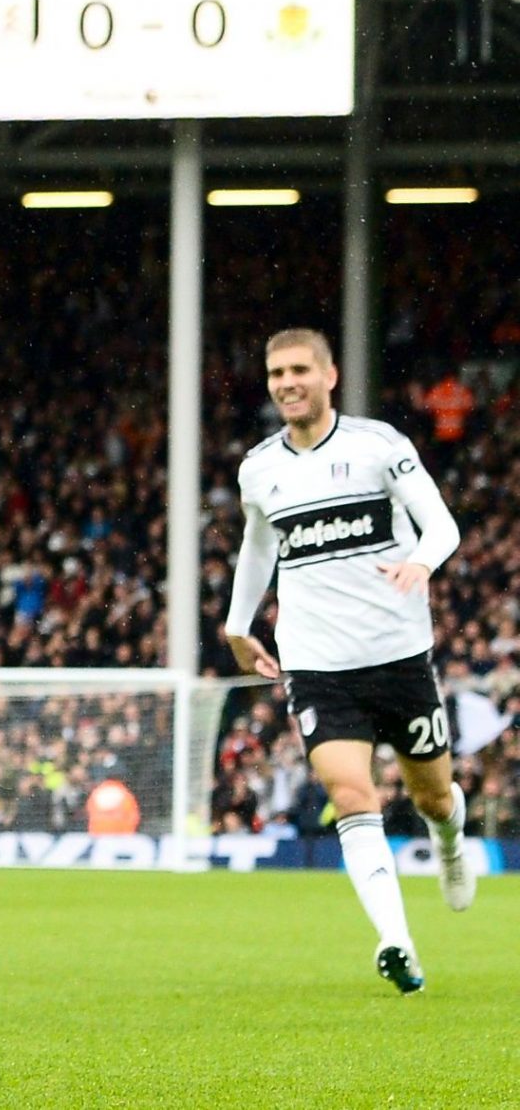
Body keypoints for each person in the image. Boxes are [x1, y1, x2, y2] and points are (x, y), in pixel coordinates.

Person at [224, 327, 470, 995]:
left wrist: (422, 561)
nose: (287, 383)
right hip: (317, 664)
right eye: (277, 373)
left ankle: (450, 844)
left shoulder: (378, 447)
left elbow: (442, 524)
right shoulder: (259, 468)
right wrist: (238, 625)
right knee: (352, 795)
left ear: (330, 376)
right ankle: (396, 941)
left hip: (398, 655)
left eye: (299, 370)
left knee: (433, 797)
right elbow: (258, 546)